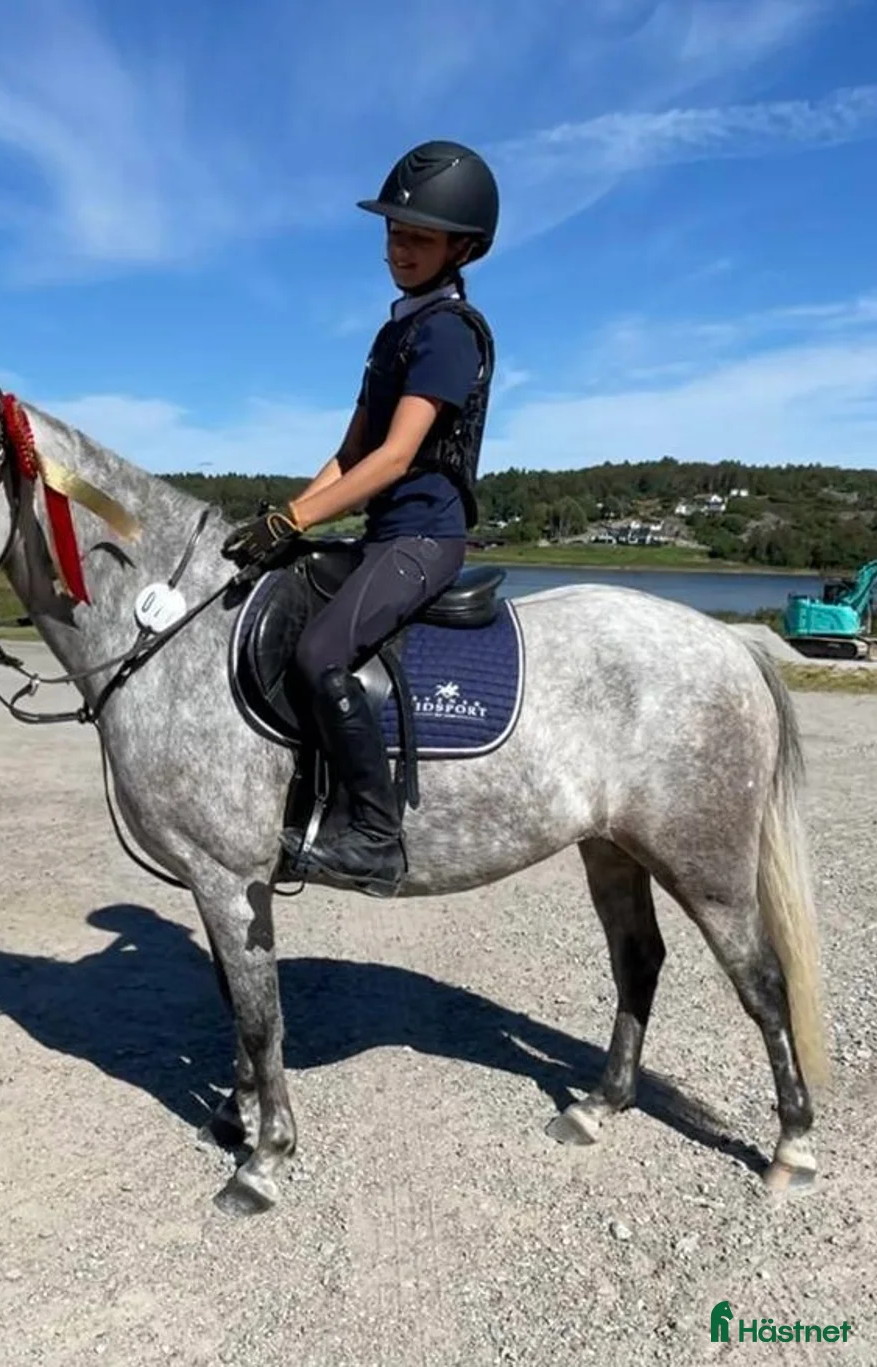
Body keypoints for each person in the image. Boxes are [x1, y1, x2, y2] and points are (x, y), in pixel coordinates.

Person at [222, 140, 499, 895]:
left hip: (424, 536)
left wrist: (291, 520)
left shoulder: (449, 331)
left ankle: (377, 834)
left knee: (319, 654)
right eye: (393, 232)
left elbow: (396, 457)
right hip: (382, 532)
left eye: (418, 236)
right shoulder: (393, 335)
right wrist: (287, 522)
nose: (398, 248)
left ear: (462, 246)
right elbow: (348, 456)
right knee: (281, 596)